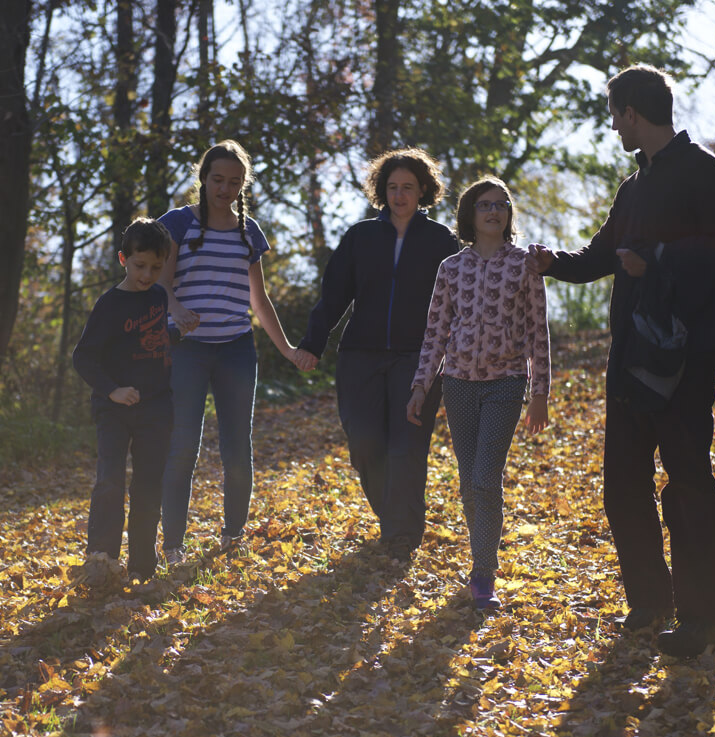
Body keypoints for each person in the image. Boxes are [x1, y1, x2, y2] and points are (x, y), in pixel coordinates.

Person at [526, 64, 715, 657]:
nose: (612, 127)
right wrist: (552, 262)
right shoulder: (633, 187)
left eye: (614, 115)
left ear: (632, 111)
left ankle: (700, 620)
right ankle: (650, 604)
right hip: (629, 355)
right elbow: (602, 255)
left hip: (687, 354)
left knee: (686, 482)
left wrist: (657, 256)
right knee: (622, 485)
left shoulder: (704, 171)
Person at [296, 147, 458, 564]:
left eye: (407, 187)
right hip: (360, 356)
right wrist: (313, 343)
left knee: (407, 447)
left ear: (423, 190)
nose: (399, 195)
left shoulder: (441, 240)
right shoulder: (361, 237)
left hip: (417, 359)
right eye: (392, 187)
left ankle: (401, 536)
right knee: (365, 444)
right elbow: (333, 294)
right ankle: (396, 517)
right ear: (381, 192)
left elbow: (459, 302)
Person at [158, 139, 310, 564]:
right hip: (186, 349)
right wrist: (177, 308)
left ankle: (232, 534)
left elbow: (258, 301)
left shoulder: (249, 232)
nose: (224, 189)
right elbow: (161, 285)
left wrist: (287, 349)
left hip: (236, 350)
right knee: (183, 443)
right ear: (203, 180)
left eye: (234, 182)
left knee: (236, 444)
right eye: (217, 180)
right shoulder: (177, 224)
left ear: (243, 186)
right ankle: (173, 544)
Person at [406, 177, 550, 609]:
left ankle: (484, 572)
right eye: (485, 205)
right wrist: (420, 386)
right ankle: (479, 560)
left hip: (506, 383)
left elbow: (537, 330)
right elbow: (434, 332)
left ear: (508, 216)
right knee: (470, 484)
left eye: (502, 205)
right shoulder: (451, 268)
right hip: (459, 384)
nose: (494, 211)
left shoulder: (524, 264)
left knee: (487, 478)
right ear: (470, 214)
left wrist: (539, 391)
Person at [71, 218, 175, 585]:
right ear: (123, 260)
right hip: (113, 409)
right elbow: (82, 357)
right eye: (139, 265)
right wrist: (112, 389)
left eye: (156, 267)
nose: (147, 275)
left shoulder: (161, 297)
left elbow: (158, 343)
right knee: (110, 479)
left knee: (148, 485)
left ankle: (142, 566)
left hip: (156, 409)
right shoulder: (109, 304)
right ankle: (102, 558)